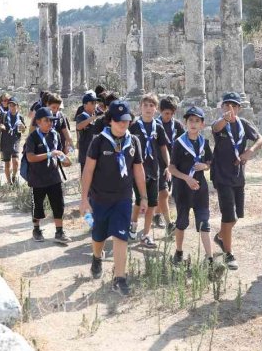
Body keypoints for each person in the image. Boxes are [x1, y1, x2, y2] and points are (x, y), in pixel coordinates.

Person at [79, 101, 148, 297]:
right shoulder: (99, 141)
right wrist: (84, 199)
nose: (123, 124)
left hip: (123, 198)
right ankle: (96, 257)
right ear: (110, 121)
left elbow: (138, 170)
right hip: (99, 198)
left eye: (126, 120)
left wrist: (143, 196)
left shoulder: (133, 141)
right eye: (119, 121)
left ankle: (120, 278)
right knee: (98, 235)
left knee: (121, 236)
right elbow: (88, 170)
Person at [210, 92, 262, 270]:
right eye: (226, 105)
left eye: (234, 105)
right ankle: (228, 254)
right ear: (222, 107)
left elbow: (261, 139)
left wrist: (250, 151)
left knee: (236, 217)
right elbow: (216, 128)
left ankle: (220, 236)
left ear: (239, 108)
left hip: (238, 175)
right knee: (229, 216)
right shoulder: (220, 124)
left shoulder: (243, 124)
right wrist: (225, 120)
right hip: (221, 175)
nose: (230, 109)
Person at [168, 106, 214, 265]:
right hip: (182, 189)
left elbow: (209, 161)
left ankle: (210, 259)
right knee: (181, 222)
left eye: (197, 121)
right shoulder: (179, 143)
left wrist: (206, 166)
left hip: (200, 189)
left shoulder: (204, 142)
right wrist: (186, 178)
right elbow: (171, 168)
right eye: (190, 121)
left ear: (202, 124)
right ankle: (179, 252)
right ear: (185, 123)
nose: (193, 124)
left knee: (204, 222)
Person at [128, 93, 171, 249]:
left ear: (156, 109)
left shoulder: (158, 127)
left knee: (152, 203)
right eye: (145, 105)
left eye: (151, 106)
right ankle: (133, 225)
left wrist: (168, 166)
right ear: (140, 107)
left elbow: (163, 148)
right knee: (140, 200)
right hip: (138, 171)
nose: (148, 108)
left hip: (154, 170)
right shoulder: (133, 127)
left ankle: (145, 235)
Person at [24, 107, 72, 244]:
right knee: (37, 206)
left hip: (54, 176)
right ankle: (36, 229)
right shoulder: (32, 138)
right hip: (37, 178)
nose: (50, 123)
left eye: (51, 120)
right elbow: (31, 158)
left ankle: (59, 232)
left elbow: (60, 154)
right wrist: (49, 154)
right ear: (38, 122)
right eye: (47, 121)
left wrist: (64, 158)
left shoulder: (55, 135)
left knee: (58, 205)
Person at [156, 97, 185, 235]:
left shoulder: (178, 125)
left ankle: (157, 214)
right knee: (164, 192)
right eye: (167, 113)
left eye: (172, 113)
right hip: (158, 163)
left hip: (173, 163)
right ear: (160, 111)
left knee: (165, 193)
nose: (169, 116)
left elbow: (183, 142)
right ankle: (169, 224)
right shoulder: (155, 125)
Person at [0, 96, 25, 185]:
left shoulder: (20, 117)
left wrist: (23, 128)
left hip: (16, 141)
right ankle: (9, 182)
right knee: (7, 164)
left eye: (14, 105)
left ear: (17, 106)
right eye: (10, 105)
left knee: (16, 162)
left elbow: (23, 130)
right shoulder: (4, 115)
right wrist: (1, 127)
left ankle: (14, 175)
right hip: (5, 142)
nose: (12, 107)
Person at [74, 92, 101, 171]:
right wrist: (94, 117)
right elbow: (79, 126)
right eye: (92, 103)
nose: (95, 105)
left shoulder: (96, 118)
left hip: (96, 153)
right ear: (85, 105)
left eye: (96, 103)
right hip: (85, 153)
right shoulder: (81, 116)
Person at [45, 93, 74, 157]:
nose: (55, 110)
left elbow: (66, 131)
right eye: (53, 107)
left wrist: (70, 144)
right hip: (43, 146)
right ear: (47, 105)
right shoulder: (42, 114)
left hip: (56, 146)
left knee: (58, 164)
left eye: (58, 108)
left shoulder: (60, 115)